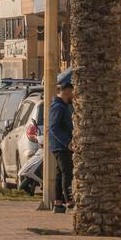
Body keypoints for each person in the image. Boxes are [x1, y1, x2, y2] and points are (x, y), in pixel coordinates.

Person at [48, 81, 75, 213]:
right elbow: (54, 127)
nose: (73, 97)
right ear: (66, 92)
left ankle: (58, 203)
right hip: (61, 146)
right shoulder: (58, 107)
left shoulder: (63, 106)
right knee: (67, 172)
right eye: (72, 94)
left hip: (60, 146)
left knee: (60, 173)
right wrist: (67, 142)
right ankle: (68, 200)